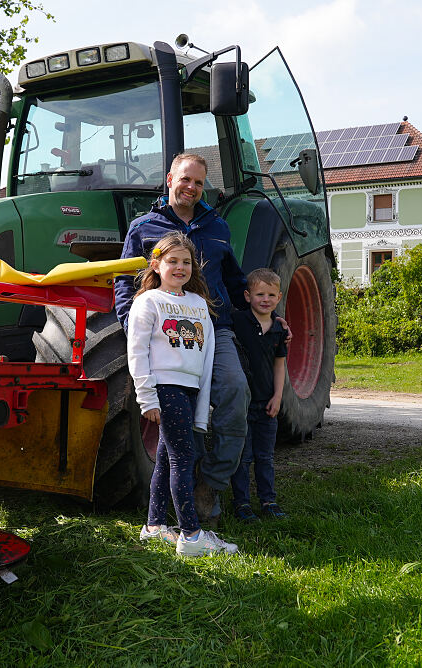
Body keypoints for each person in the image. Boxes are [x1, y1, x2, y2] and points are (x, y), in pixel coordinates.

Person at [115, 152, 255, 523]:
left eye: (198, 182)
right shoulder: (143, 227)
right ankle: (178, 495)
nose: (191, 187)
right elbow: (124, 283)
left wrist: (269, 317)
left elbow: (236, 281)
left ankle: (210, 483)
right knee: (182, 408)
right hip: (166, 334)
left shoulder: (218, 227)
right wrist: (135, 331)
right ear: (169, 179)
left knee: (235, 392)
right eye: (185, 179)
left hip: (214, 328)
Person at [128, 233, 237, 557]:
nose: (179, 267)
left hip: (189, 390)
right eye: (172, 261)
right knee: (183, 459)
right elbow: (137, 351)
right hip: (165, 388)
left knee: (166, 456)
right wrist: (147, 397)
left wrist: (202, 405)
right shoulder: (148, 301)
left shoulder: (198, 304)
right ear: (156, 264)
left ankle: (154, 526)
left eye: (186, 262)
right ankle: (191, 535)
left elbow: (206, 355)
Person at [229, 268, 289, 522]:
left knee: (265, 456)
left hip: (267, 404)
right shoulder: (239, 321)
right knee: (243, 457)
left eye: (271, 295)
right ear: (247, 295)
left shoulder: (279, 330)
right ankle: (242, 503)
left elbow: (279, 364)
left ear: (279, 297)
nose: (265, 299)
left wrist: (278, 397)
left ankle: (268, 501)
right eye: (259, 294)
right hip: (243, 403)